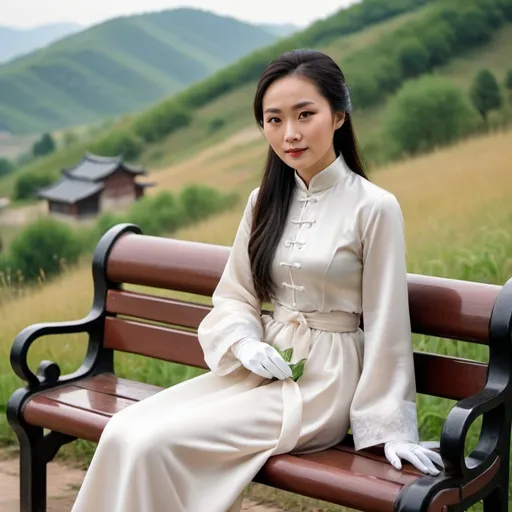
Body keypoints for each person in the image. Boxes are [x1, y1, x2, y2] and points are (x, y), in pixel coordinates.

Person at [71, 49, 443, 512]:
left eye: (305, 114)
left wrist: (388, 428)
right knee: (126, 430)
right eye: (274, 119)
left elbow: (388, 322)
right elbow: (236, 293)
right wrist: (244, 343)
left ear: (339, 116)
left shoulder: (374, 206)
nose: (290, 133)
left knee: (154, 443)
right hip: (258, 369)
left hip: (323, 386)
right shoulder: (263, 200)